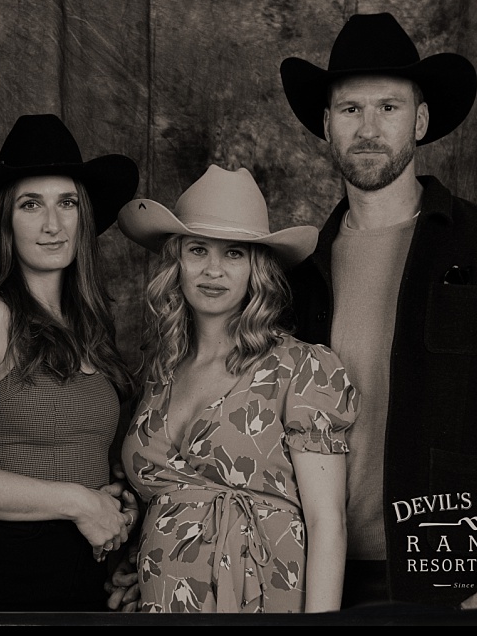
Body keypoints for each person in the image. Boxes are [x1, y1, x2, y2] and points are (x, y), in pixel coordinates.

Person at [278, 12, 477, 609]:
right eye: (350, 109)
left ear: (420, 119)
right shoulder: (296, 273)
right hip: (318, 578)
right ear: (326, 125)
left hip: (458, 578)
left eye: (389, 107)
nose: (369, 128)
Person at [0, 113, 141, 612]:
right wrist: (80, 502)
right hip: (4, 573)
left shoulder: (89, 324)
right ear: (5, 221)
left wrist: (114, 502)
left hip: (85, 570)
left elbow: (73, 447)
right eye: (30, 205)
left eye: (67, 203)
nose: (52, 224)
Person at [114, 164, 360, 613]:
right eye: (197, 250)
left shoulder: (301, 367)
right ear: (177, 262)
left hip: (265, 602)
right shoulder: (160, 370)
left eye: (233, 254)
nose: (213, 270)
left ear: (257, 268)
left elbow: (329, 523)